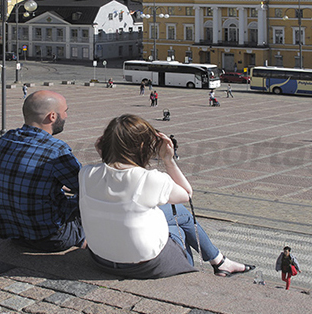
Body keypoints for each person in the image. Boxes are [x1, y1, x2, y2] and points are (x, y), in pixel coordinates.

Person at [78, 114, 255, 279]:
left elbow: (112, 177)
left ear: (104, 144)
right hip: (144, 265)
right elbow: (186, 194)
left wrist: (106, 155)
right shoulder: (150, 179)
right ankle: (196, 273)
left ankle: (220, 261)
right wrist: (168, 160)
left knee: (177, 211)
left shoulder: (85, 173)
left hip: (100, 260)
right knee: (179, 227)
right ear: (142, 147)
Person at [0, 90, 86, 253]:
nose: (66, 116)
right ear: (52, 116)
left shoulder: (5, 139)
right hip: (51, 238)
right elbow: (86, 186)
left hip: (14, 235)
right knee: (93, 200)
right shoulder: (56, 150)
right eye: (65, 111)